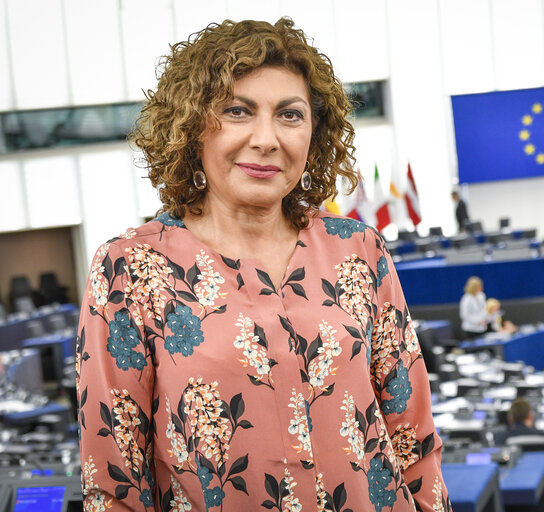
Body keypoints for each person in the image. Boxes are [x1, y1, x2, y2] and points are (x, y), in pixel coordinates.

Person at [76, 18, 451, 511]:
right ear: (191, 127)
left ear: (314, 134)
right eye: (238, 111)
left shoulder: (359, 249)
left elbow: (413, 437)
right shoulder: (129, 268)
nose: (266, 138)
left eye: (290, 115)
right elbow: (114, 479)